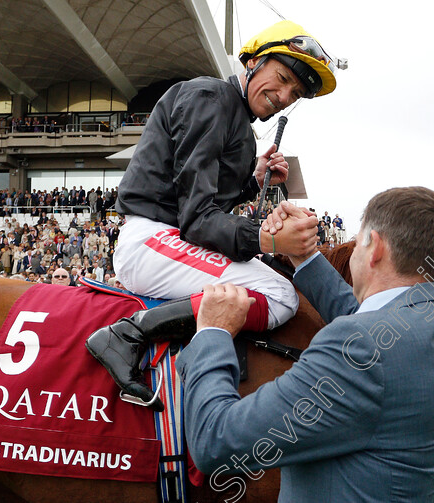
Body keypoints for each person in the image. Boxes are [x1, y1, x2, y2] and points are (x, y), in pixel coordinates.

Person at [86, 20, 342, 406]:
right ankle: (128, 334)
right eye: (283, 77)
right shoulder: (211, 97)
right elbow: (197, 219)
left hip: (167, 237)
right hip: (151, 240)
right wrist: (269, 239)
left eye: (296, 93)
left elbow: (204, 199)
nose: (286, 96)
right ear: (253, 60)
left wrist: (255, 180)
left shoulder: (230, 111)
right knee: (279, 294)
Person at [176, 187, 434, 501]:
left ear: (375, 247)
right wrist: (305, 256)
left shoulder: (360, 348)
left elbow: (216, 442)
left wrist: (212, 334)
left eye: (357, 240)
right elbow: (374, 327)